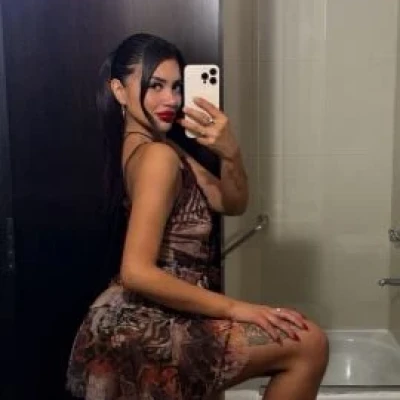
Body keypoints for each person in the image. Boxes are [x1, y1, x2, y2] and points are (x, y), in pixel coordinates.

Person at [66, 33, 329, 400]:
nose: (171, 100)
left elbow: (231, 202)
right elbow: (136, 271)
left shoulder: (155, 147)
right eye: (155, 85)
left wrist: (230, 153)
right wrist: (238, 309)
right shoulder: (158, 158)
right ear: (119, 91)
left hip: (142, 313)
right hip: (152, 320)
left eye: (176, 86)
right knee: (310, 344)